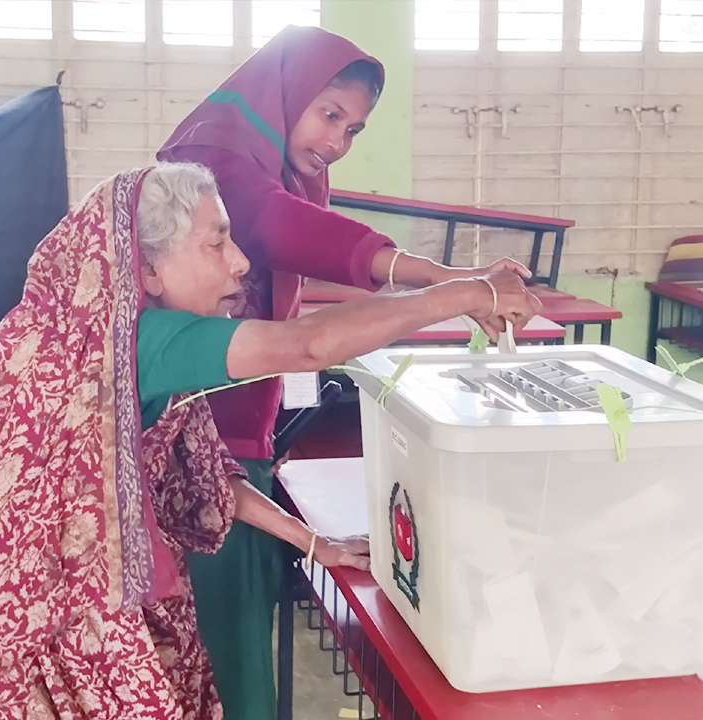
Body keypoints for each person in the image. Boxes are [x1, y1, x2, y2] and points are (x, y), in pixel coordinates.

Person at [0, 163, 538, 719]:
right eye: (216, 242)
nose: (242, 261)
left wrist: (316, 544)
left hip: (6, 569)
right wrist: (464, 292)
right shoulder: (136, 340)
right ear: (150, 270)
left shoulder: (124, 336)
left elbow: (210, 478)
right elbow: (309, 344)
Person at [158, 26, 536, 719]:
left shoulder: (271, 161)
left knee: (231, 642)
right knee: (222, 660)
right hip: (208, 457)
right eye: (329, 114)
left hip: (232, 453)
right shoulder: (216, 159)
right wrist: (454, 284)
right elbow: (300, 313)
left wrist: (313, 541)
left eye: (354, 129)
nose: (336, 142)